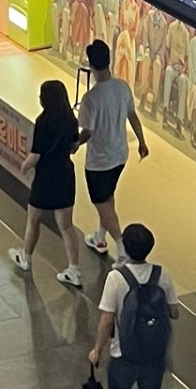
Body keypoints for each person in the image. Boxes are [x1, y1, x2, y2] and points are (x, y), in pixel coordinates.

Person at [89, 223, 179, 389]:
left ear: (125, 248)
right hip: (154, 355)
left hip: (123, 355)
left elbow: (106, 321)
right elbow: (174, 313)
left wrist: (97, 350)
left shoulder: (116, 277)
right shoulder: (162, 274)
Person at [76, 39, 149, 262]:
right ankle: (99, 237)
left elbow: (88, 132)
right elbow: (132, 116)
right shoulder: (122, 88)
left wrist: (75, 144)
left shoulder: (90, 99)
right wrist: (142, 142)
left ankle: (122, 249)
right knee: (108, 198)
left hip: (99, 161)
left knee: (101, 203)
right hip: (120, 155)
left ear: (91, 66)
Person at [8, 80, 83, 288]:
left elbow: (35, 156)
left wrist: (23, 167)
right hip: (65, 174)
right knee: (66, 225)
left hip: (45, 177)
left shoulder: (43, 121)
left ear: (46, 99)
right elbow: (74, 146)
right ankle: (74, 269)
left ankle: (26, 257)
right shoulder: (71, 119)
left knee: (34, 219)